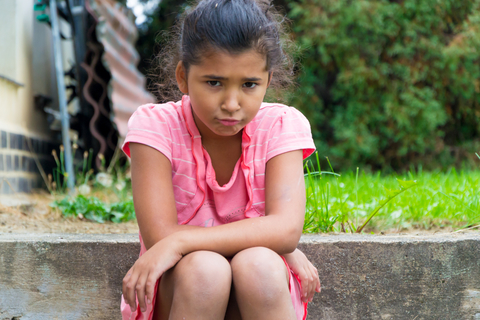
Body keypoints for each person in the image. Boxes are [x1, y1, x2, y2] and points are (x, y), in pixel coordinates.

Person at [120, 0, 321, 319]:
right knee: (206, 270)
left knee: (259, 265)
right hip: (184, 288)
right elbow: (161, 238)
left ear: (267, 80)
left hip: (258, 289)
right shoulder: (156, 128)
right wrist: (272, 239)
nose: (231, 103)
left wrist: (182, 238)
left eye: (249, 85)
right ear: (183, 77)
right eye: (214, 83)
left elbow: (285, 230)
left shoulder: (281, 126)